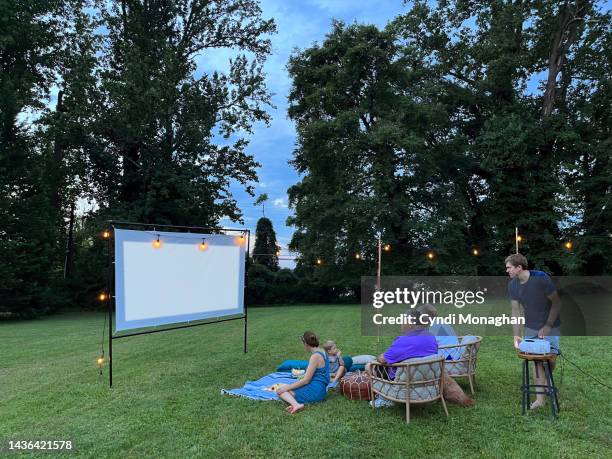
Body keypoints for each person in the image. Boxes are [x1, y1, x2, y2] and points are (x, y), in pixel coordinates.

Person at [506, 253, 561, 410]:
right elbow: (515, 311)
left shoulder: (541, 278)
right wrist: (516, 334)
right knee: (537, 360)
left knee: (550, 359)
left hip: (551, 323)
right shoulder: (513, 285)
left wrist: (548, 325)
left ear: (519, 267)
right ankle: (540, 399)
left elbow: (556, 303)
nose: (507, 271)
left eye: (509, 267)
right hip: (531, 326)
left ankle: (548, 379)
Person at [276, 331, 330, 414]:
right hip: (321, 389)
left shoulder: (315, 356)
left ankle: (296, 405)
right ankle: (295, 402)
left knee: (281, 391)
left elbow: (306, 380)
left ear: (306, 344)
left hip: (316, 392)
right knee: (287, 387)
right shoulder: (323, 352)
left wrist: (287, 388)